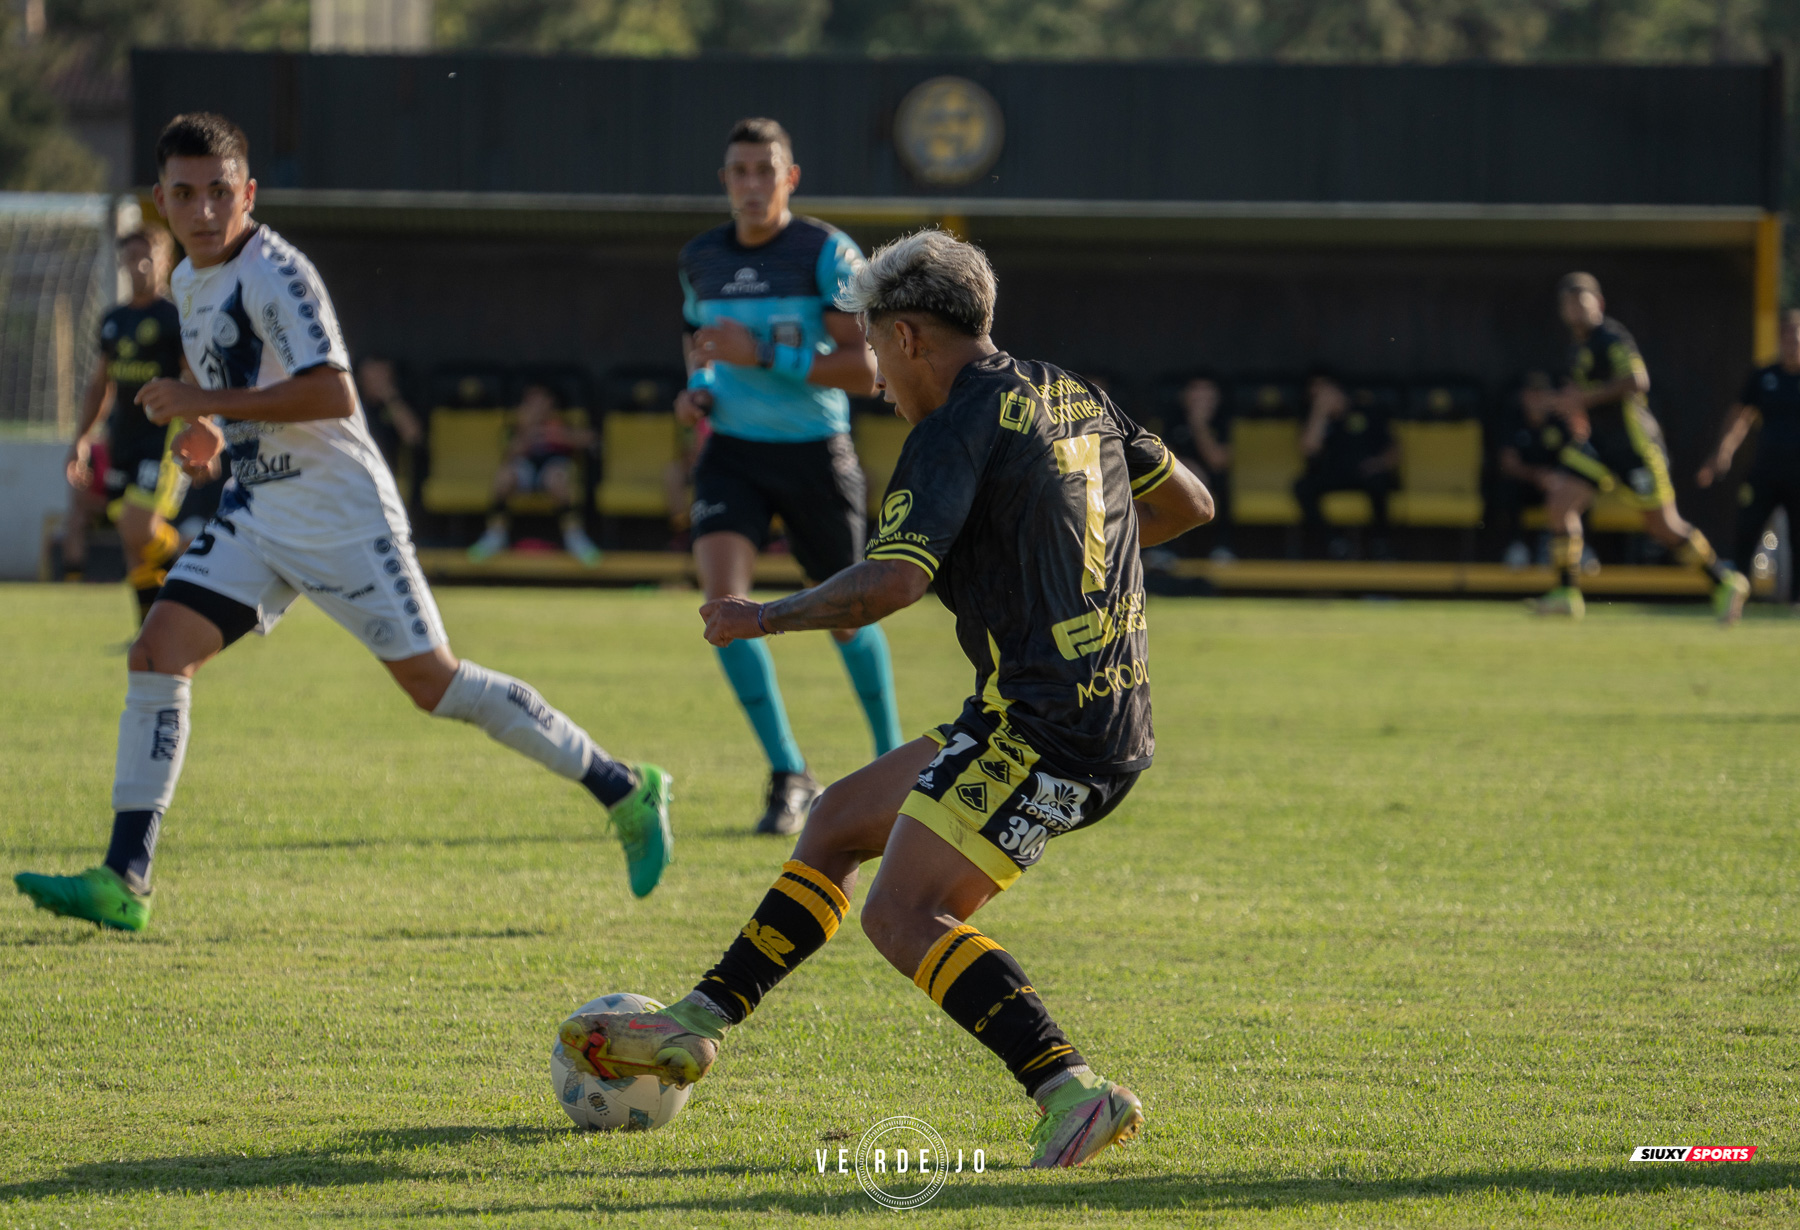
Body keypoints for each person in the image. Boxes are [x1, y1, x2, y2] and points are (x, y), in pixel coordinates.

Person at [556, 230, 1213, 1169]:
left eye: (870, 349)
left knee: (903, 916)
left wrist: (765, 616)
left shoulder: (952, 428)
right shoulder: (1073, 389)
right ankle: (697, 1022)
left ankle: (1069, 1089)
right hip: (1064, 708)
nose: (871, 378)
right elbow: (1189, 503)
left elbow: (887, 586)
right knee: (836, 820)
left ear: (907, 337)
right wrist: (1070, 548)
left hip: (1050, 726)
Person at [14, 113, 671, 934]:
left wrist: (206, 402)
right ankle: (125, 877)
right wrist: (210, 431)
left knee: (436, 685)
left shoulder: (278, 271)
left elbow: (332, 392)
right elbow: (235, 380)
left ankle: (623, 786)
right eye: (186, 195)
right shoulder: (187, 280)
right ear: (162, 202)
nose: (205, 210)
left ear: (247, 194)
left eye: (221, 192)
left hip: (340, 514)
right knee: (158, 650)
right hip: (258, 511)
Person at [675, 116, 898, 835]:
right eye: (738, 171)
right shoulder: (700, 257)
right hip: (732, 453)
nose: (750, 184)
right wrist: (700, 387)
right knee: (722, 608)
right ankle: (786, 773)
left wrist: (763, 355)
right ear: (724, 181)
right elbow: (699, 343)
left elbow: (867, 371)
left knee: (850, 616)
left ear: (789, 178)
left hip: (814, 452)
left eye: (764, 170)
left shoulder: (825, 252)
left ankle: (894, 767)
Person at [1528, 273, 1749, 622]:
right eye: (1569, 305)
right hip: (1598, 445)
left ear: (1598, 304)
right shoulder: (1578, 349)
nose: (1575, 311)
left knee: (1662, 526)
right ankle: (1567, 592)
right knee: (1559, 502)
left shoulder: (1611, 337)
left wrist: (1585, 398)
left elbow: (1637, 381)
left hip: (1634, 445)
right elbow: (1582, 398)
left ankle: (1724, 581)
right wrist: (1567, 407)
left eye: (1581, 303)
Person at [61, 229, 195, 624]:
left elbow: (194, 381)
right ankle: (149, 635)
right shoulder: (113, 320)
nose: (138, 264)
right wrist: (82, 438)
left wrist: (199, 430)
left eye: (147, 255)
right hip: (123, 439)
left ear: (165, 262)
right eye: (131, 255)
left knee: (139, 527)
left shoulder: (173, 319)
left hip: (162, 438)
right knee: (131, 542)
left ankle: (198, 567)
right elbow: (101, 385)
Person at [1698, 307, 1800, 583]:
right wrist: (1723, 452)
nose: (1794, 343)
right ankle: (1738, 590)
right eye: (1789, 336)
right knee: (1747, 528)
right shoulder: (1764, 376)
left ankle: (1796, 603)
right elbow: (1740, 418)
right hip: (1766, 469)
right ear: (1780, 338)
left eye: (1798, 337)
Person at [467, 382, 602, 565]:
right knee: (504, 476)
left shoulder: (562, 421)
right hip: (526, 468)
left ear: (550, 402)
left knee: (557, 477)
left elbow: (591, 439)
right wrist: (527, 433)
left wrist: (561, 435)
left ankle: (574, 537)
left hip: (554, 466)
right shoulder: (517, 425)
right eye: (530, 401)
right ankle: (495, 536)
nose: (536, 406)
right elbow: (508, 455)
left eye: (540, 401)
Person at [1293, 370, 1398, 559]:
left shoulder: (1365, 410)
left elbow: (1393, 449)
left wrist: (1380, 463)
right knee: (1302, 487)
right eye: (1315, 394)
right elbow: (1309, 449)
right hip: (1335, 474)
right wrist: (1320, 412)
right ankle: (1335, 542)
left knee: (1380, 482)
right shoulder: (1316, 418)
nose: (1321, 397)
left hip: (1365, 472)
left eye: (1324, 391)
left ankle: (1380, 543)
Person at [1494, 371, 1566, 567]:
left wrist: (1554, 478)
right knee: (1507, 488)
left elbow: (1574, 458)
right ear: (1523, 396)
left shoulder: (1561, 421)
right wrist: (1536, 475)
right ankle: (1516, 547)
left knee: (1578, 488)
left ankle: (1573, 547)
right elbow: (1508, 463)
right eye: (1533, 393)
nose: (1537, 399)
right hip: (1526, 486)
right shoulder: (1512, 419)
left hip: (1555, 486)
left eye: (1542, 393)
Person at [1161, 374, 1233, 560]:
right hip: (1179, 475)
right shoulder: (1172, 418)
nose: (1201, 400)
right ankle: (1165, 552)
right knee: (1160, 485)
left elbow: (1218, 460)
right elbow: (1159, 457)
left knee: (1223, 483)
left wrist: (1198, 424)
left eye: (1208, 395)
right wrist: (1186, 471)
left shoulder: (1222, 421)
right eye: (1196, 393)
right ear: (1184, 396)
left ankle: (1222, 548)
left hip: (1212, 478)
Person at [353, 356, 423, 475]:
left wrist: (390, 397)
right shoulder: (353, 405)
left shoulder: (395, 406)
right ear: (361, 377)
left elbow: (413, 437)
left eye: (383, 373)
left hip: (385, 475)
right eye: (373, 374)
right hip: (354, 472)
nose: (379, 379)